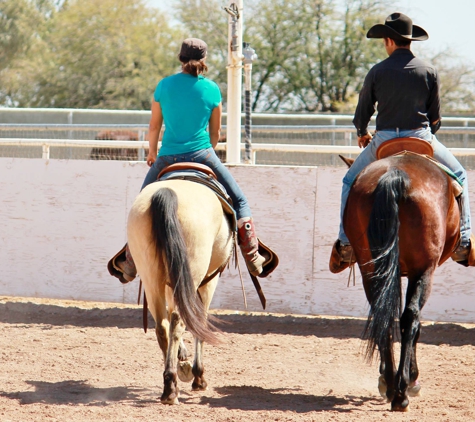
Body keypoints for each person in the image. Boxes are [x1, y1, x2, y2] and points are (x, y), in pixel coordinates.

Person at [329, 12, 474, 273]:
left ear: (388, 40)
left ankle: (346, 242)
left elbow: (362, 112)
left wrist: (363, 132)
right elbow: (436, 117)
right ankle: (463, 242)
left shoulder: (377, 71)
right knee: (460, 176)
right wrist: (427, 133)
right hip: (420, 136)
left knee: (349, 181)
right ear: (410, 41)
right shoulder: (429, 71)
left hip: (384, 138)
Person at [115, 38, 266, 280]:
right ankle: (253, 256)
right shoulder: (212, 89)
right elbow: (215, 132)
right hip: (202, 154)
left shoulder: (164, 86)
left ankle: (131, 262)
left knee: (140, 207)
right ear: (204, 60)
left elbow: (154, 127)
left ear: (180, 58)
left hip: (167, 157)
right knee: (239, 201)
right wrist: (208, 152)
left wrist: (152, 153)